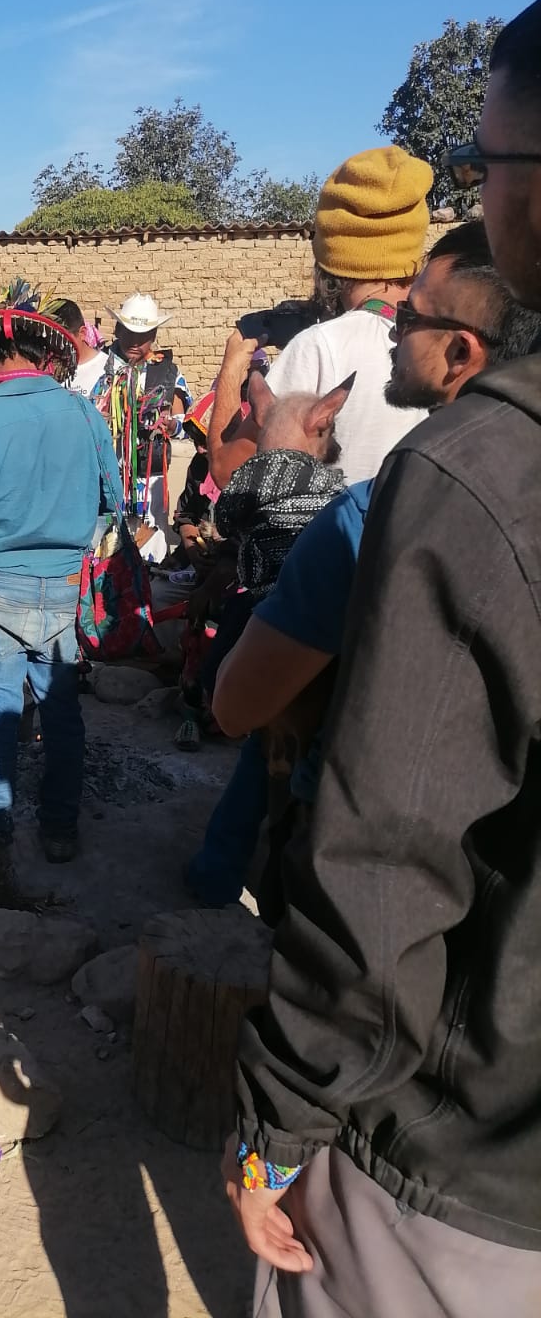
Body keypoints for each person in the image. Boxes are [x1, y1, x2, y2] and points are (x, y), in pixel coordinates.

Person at [225, 0, 541, 1318]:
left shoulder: (460, 477)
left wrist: (279, 1121)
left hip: (463, 1144)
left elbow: (387, 855)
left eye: (494, 166)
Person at [212, 221, 541, 916]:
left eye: (410, 318)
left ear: (459, 351)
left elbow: (236, 704)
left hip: (369, 853)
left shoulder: (370, 514)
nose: (392, 331)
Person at [0, 289, 123, 863]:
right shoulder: (85, 414)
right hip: (64, 587)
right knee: (62, 711)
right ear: (45, 358)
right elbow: (112, 501)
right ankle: (59, 829)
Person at [214, 146, 434, 492]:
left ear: (333, 253)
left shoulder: (321, 346)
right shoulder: (447, 340)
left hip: (336, 545)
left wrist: (232, 365)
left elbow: (229, 473)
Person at [93, 292, 189, 560]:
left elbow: (182, 423)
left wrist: (170, 426)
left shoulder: (167, 372)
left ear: (154, 334)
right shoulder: (101, 367)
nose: (135, 341)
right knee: (106, 542)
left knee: (147, 541)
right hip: (108, 470)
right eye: (129, 332)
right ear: (117, 329)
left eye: (143, 335)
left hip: (149, 475)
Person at [52, 297, 108, 396]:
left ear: (82, 333)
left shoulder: (110, 370)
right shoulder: (45, 369)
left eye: (62, 340)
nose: (57, 346)